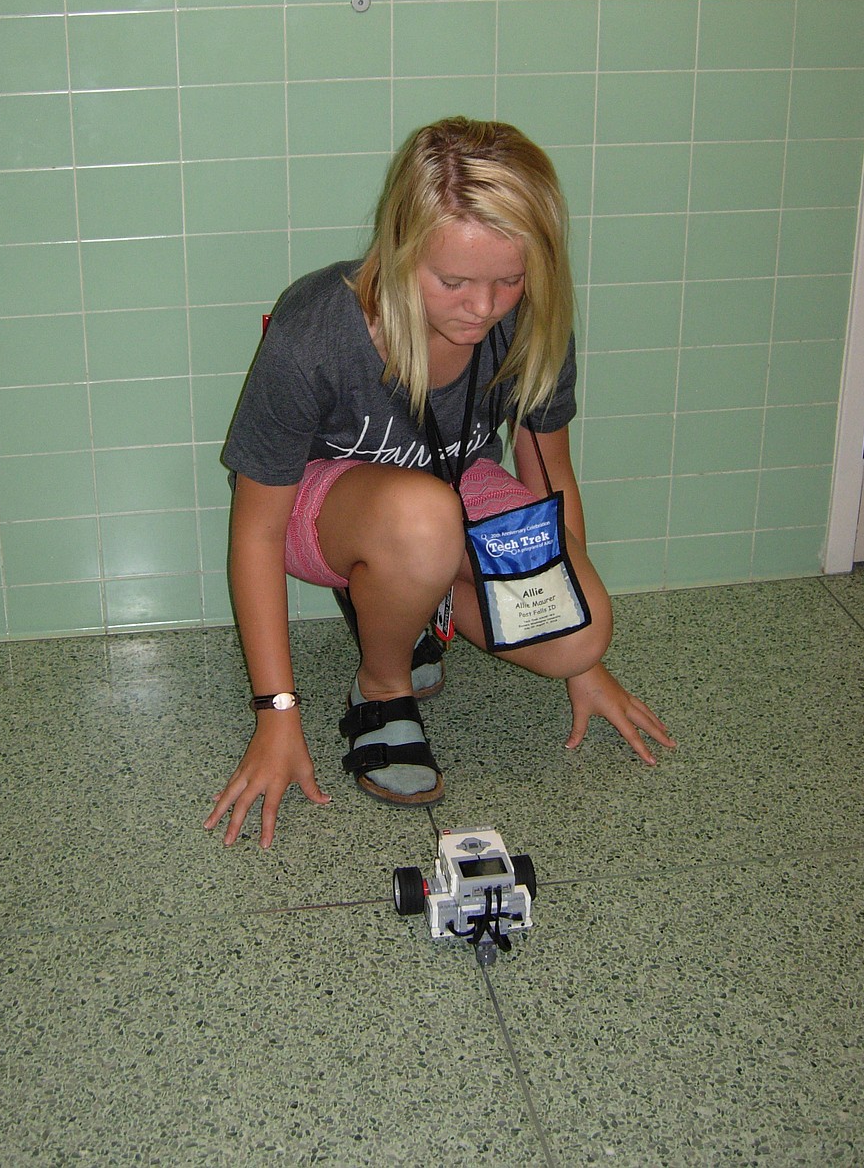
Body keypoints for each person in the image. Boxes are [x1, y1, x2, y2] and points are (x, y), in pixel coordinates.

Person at [206, 117, 674, 849]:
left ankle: (412, 601)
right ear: (398, 249)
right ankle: (383, 686)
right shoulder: (315, 330)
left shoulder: (530, 322)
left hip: (455, 486)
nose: (483, 308)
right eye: (452, 281)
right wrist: (276, 712)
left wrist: (587, 663)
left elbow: (548, 475)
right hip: (324, 510)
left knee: (576, 634)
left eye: (509, 280)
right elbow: (256, 529)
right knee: (421, 522)